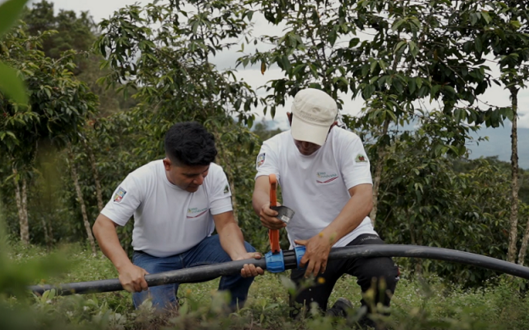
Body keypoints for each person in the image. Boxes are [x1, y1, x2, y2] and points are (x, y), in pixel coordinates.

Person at [252, 88, 399, 326]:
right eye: (301, 136)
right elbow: (261, 189)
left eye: (314, 139)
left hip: (352, 236)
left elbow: (363, 198)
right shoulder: (274, 147)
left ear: (332, 126)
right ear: (290, 118)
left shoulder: (347, 142)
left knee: (382, 273)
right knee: (303, 320)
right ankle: (340, 312)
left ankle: (367, 322)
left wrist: (326, 238)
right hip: (305, 247)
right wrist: (268, 209)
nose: (306, 145)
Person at [93, 121, 263, 312]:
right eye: (190, 175)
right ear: (168, 164)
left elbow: (226, 225)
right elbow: (102, 224)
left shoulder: (215, 175)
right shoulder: (140, 180)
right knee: (157, 315)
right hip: (154, 260)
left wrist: (239, 256)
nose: (199, 181)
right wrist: (124, 267)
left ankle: (226, 314)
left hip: (199, 251)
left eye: (203, 172)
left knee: (245, 254)